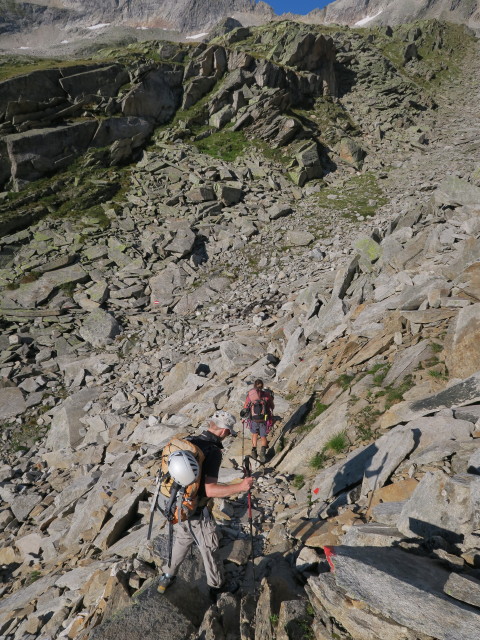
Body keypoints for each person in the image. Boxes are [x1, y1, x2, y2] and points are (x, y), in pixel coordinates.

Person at [157, 410, 254, 600]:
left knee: (183, 538)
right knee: (209, 546)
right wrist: (241, 487)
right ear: (224, 432)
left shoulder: (190, 441)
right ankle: (217, 588)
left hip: (176, 504)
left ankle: (167, 576)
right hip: (196, 510)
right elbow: (209, 491)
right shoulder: (213, 452)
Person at [241, 378, 274, 463]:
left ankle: (254, 450)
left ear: (254, 386)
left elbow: (245, 407)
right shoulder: (266, 395)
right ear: (262, 386)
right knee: (263, 436)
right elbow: (272, 406)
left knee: (254, 434)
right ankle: (263, 452)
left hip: (253, 419)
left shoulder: (250, 396)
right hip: (264, 419)